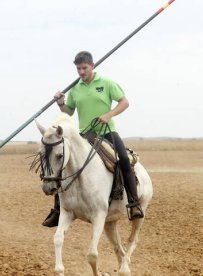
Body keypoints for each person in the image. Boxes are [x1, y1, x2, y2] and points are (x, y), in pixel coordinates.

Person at [42, 51, 144, 227]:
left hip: (107, 132)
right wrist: (60, 103)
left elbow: (124, 102)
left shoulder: (106, 83)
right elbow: (69, 111)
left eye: (84, 68)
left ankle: (133, 203)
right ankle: (59, 209)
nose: (81, 72)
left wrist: (109, 114)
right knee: (64, 164)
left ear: (92, 66)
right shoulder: (76, 88)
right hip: (85, 135)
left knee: (124, 159)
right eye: (78, 69)